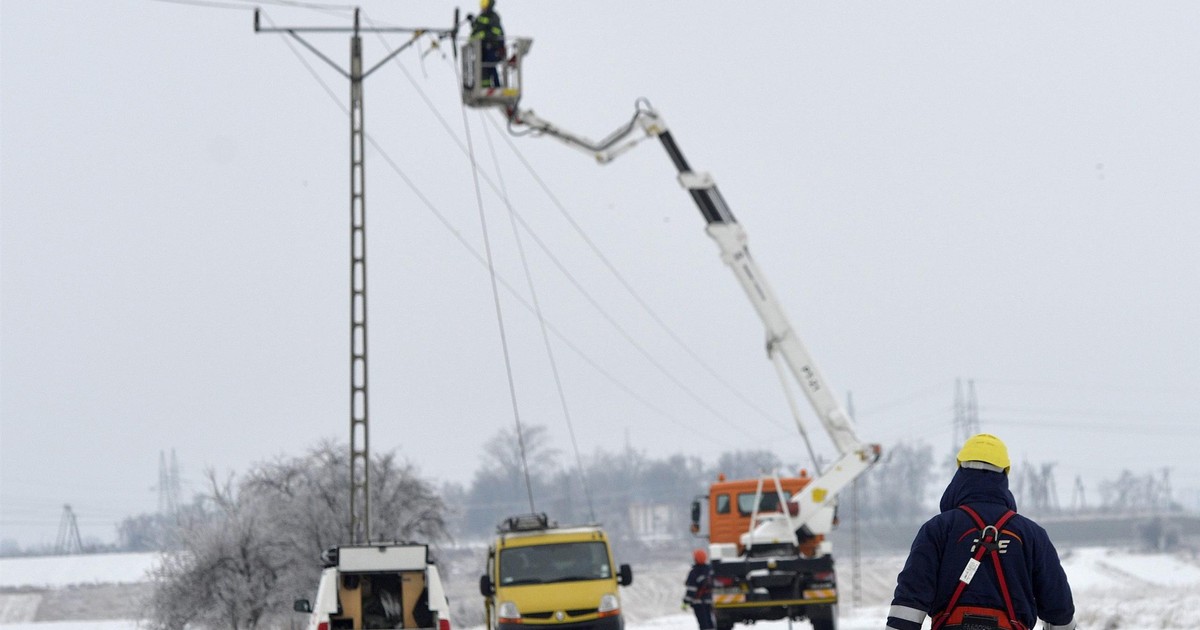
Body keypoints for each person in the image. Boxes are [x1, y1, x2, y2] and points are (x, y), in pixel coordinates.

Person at [887, 434, 1076, 630]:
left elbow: (908, 603)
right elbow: (1059, 609)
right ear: (1004, 475)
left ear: (960, 471)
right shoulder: (1031, 535)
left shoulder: (938, 529)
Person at [470, 0, 505, 88]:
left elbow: (496, 31)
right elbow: (477, 28)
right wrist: (472, 21)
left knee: (490, 65)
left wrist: (485, 35)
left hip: (492, 47)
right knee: (482, 68)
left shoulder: (493, 17)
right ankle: (485, 86)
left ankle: (497, 86)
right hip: (482, 48)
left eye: (484, 3)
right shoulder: (481, 17)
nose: (483, 6)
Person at [682, 548, 714, 630]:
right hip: (709, 601)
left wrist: (685, 602)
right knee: (709, 621)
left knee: (703, 624)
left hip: (698, 602)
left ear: (695, 559)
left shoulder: (694, 572)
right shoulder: (710, 570)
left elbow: (691, 590)